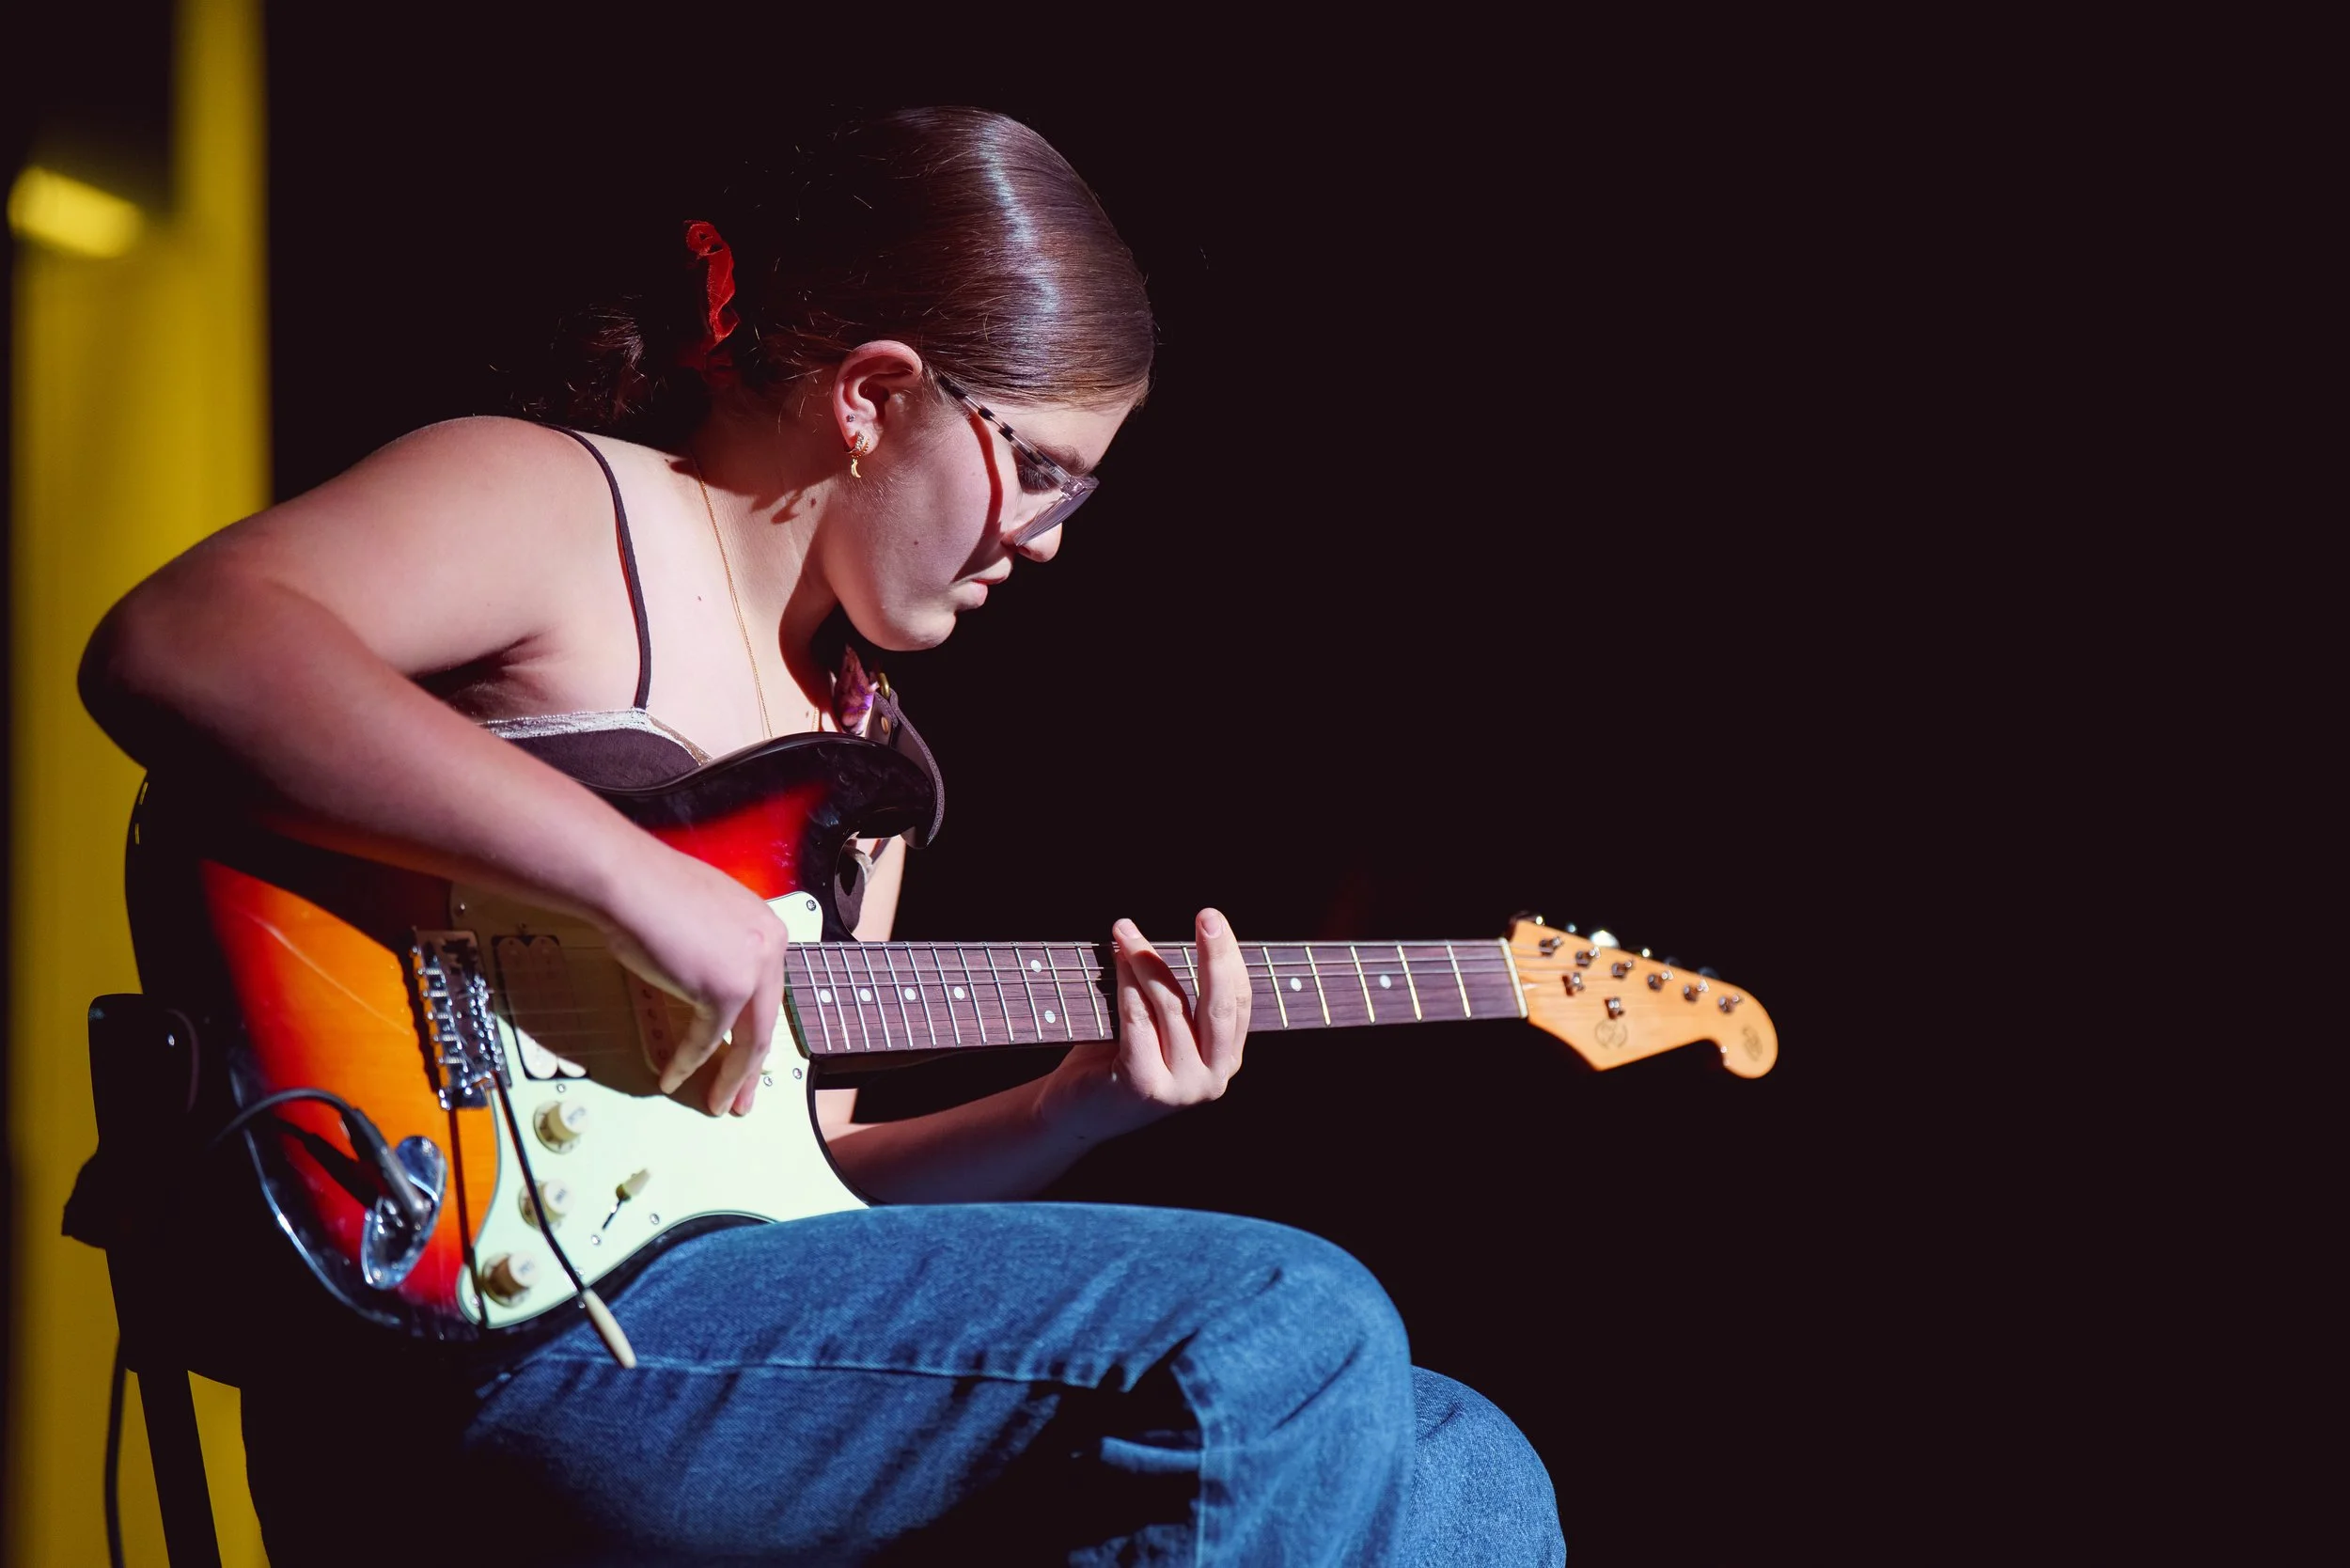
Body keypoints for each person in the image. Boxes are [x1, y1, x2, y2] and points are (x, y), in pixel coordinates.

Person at [80, 106, 1565, 1565]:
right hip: (487, 1328)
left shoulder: (862, 761)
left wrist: (1073, 1108)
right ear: (875, 395)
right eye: (1042, 470)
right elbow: (181, 640)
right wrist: (630, 881)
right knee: (1285, 1317)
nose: (1050, 537)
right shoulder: (561, 504)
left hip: (726, 1353)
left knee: (1462, 1463)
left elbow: (810, 1179)